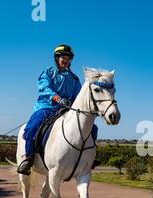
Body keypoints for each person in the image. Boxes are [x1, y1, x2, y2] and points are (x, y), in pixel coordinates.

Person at [17, 44, 100, 175]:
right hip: (46, 107)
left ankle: (90, 158)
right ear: (57, 58)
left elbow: (78, 97)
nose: (65, 60)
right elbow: (44, 88)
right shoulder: (48, 73)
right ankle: (29, 159)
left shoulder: (74, 78)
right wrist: (58, 98)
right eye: (63, 57)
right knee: (32, 127)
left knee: (93, 128)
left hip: (67, 110)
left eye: (68, 58)